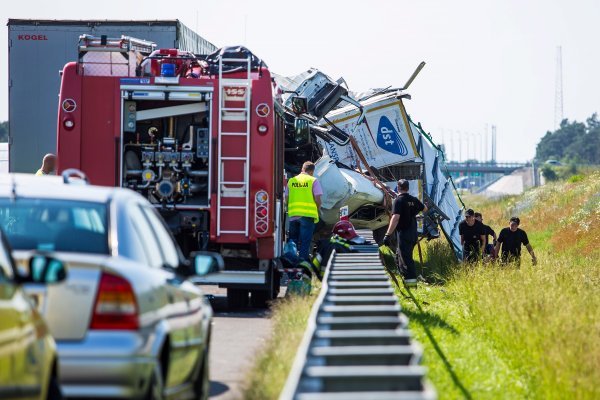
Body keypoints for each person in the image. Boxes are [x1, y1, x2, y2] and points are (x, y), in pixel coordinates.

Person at [382, 179, 427, 287]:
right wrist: (413, 212)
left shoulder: (399, 200)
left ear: (398, 187)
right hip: (413, 234)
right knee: (399, 256)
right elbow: (425, 208)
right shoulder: (413, 200)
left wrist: (387, 234)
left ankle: (411, 284)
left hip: (404, 233)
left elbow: (395, 217)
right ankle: (405, 279)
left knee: (406, 259)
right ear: (408, 188)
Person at [286, 161, 322, 262]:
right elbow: (318, 200)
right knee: (305, 242)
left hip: (293, 216)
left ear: (302, 169)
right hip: (307, 216)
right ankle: (302, 264)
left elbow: (286, 198)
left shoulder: (292, 181)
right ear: (312, 172)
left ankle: (291, 261)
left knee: (293, 241)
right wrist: (317, 209)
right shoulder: (313, 180)